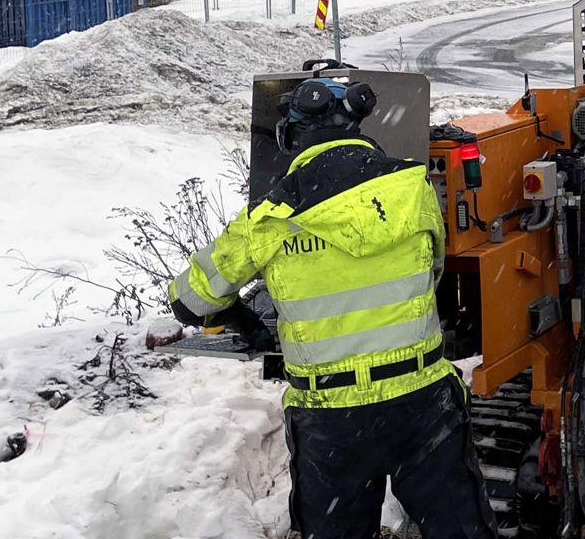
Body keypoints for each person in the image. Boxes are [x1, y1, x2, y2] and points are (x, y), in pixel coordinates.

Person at [167, 77, 495, 539]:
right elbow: (432, 272)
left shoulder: (269, 218)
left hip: (332, 420)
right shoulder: (413, 187)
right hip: (423, 403)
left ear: (289, 138)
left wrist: (241, 318)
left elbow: (188, 301)